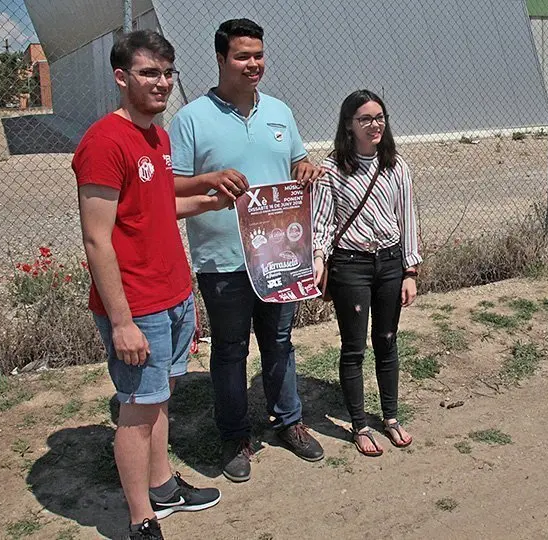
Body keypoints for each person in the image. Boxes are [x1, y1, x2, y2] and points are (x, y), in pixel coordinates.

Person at [73, 30, 227, 540]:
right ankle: (141, 517)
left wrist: (206, 201)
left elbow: (157, 208)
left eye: (167, 73)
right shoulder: (103, 142)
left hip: (174, 294)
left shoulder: (158, 138)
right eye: (148, 73)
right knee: (137, 410)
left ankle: (163, 486)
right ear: (121, 77)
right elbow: (97, 239)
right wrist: (121, 322)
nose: (161, 83)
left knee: (160, 398)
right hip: (137, 305)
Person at [169, 18, 325, 483]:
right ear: (221, 59)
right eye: (242, 56)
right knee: (231, 350)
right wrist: (209, 180)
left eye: (258, 55)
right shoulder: (191, 119)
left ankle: (288, 421)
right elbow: (170, 186)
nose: (253, 64)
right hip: (225, 262)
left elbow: (295, 160)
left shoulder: (280, 112)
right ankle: (235, 435)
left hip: (278, 257)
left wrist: (306, 168)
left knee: (280, 342)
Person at [313, 90, 422, 457]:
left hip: (390, 264)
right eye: (366, 119)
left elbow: (407, 220)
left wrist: (411, 271)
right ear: (348, 125)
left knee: (387, 340)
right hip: (351, 266)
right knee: (354, 347)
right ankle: (360, 424)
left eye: (380, 118)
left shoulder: (396, 166)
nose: (375, 125)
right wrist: (319, 258)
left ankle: (390, 417)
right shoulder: (331, 169)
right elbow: (324, 222)